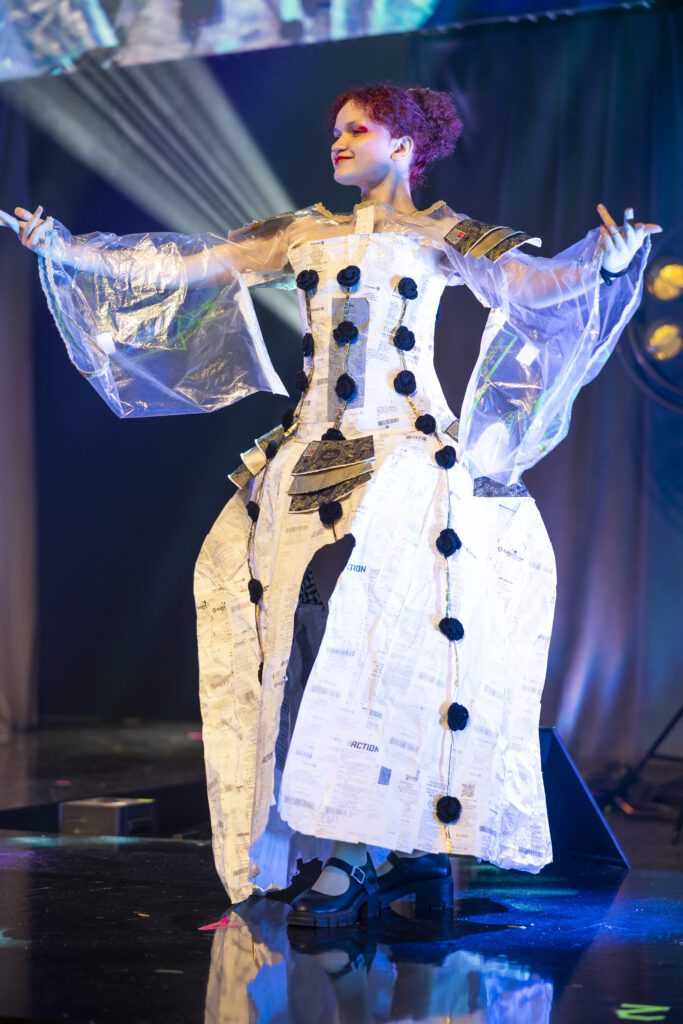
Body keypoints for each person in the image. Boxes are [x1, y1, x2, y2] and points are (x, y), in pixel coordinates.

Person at [1, 83, 661, 930]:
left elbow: (532, 286)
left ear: (405, 144)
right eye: (335, 131)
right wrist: (68, 249)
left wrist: (603, 263)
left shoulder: (442, 233)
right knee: (284, 642)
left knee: (385, 638)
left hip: (407, 452)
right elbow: (185, 264)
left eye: (358, 129)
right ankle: (323, 843)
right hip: (305, 455)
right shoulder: (301, 233)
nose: (338, 142)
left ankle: (382, 846)